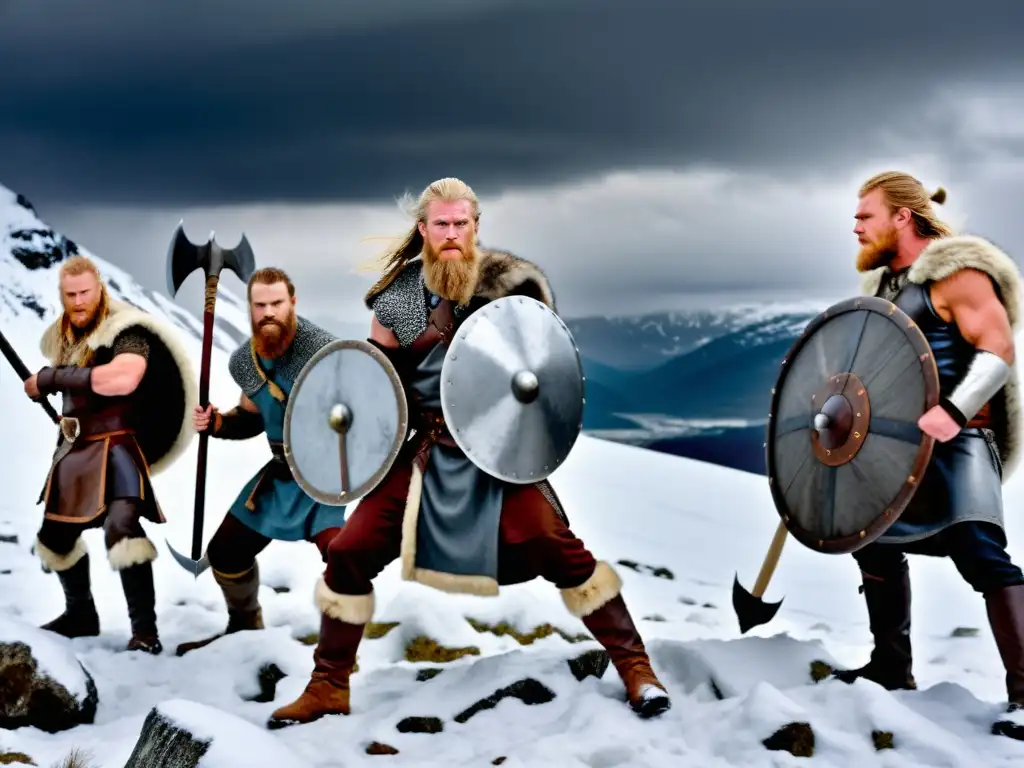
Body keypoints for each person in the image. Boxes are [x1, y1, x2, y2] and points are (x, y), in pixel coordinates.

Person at [267, 177, 671, 730]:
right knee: (352, 548)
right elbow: (377, 389)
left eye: (461, 224)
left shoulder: (511, 290)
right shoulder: (398, 301)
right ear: (424, 230)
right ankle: (328, 685)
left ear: (475, 227)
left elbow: (538, 369)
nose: (452, 234)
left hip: (496, 452)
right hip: (427, 449)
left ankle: (635, 667)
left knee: (555, 545)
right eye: (441, 225)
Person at [834, 171, 1024, 738]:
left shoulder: (956, 273)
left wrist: (956, 411)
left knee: (980, 551)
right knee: (875, 542)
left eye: (866, 214)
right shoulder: (884, 291)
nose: (857, 224)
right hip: (898, 447)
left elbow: (998, 348)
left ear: (902, 217)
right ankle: (892, 668)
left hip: (961, 441)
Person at [25, 255, 196, 654]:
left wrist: (50, 378)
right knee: (55, 537)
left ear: (99, 287)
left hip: (118, 446)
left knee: (123, 528)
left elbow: (123, 378)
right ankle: (81, 615)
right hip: (75, 449)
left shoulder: (126, 330)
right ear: (62, 295)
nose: (79, 301)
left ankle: (145, 632)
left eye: (85, 292)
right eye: (71, 295)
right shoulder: (63, 337)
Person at [175, 267, 347, 656]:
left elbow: (363, 417)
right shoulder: (246, 360)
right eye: (260, 305)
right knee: (225, 552)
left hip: (326, 480)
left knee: (343, 559)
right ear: (250, 308)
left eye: (277, 303)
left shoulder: (326, 353)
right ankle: (244, 627)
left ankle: (338, 657)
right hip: (281, 476)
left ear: (293, 303)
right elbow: (252, 417)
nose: (268, 312)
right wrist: (218, 422)